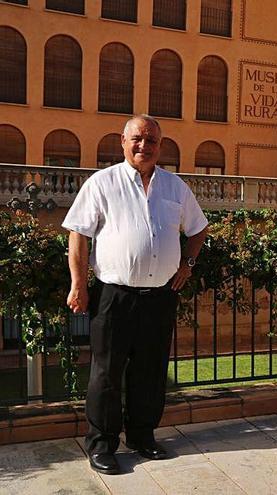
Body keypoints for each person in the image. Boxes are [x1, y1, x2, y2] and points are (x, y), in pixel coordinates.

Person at [64, 115, 209, 475]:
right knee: (106, 374)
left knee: (151, 370)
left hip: (160, 297)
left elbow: (198, 229)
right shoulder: (102, 183)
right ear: (123, 142)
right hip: (115, 296)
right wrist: (78, 284)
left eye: (152, 141)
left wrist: (188, 264)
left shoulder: (175, 187)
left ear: (160, 146)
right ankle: (102, 445)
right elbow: (78, 235)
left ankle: (143, 437)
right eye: (137, 139)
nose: (144, 146)